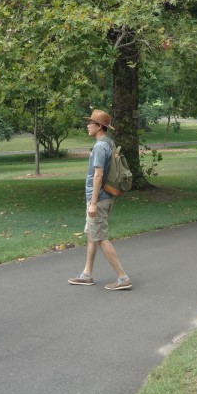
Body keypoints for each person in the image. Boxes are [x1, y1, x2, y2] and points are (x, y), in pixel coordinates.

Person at [68, 109, 132, 291]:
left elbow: (98, 176)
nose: (87, 126)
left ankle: (123, 277)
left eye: (91, 123)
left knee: (101, 237)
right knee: (92, 235)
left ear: (99, 127)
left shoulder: (99, 147)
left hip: (99, 199)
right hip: (106, 196)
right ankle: (86, 274)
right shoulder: (109, 143)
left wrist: (93, 203)